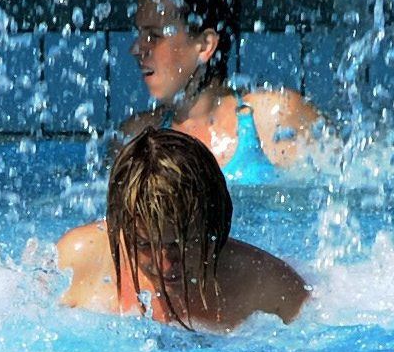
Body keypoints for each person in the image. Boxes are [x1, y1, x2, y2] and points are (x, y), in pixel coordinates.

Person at [57, 128, 308, 331]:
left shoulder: (267, 286)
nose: (165, 264)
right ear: (122, 229)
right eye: (145, 245)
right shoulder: (79, 260)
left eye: (183, 243)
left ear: (214, 225)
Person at [115, 0, 323, 180]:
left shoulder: (274, 118)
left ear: (205, 45)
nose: (136, 49)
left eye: (154, 36)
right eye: (140, 34)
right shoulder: (137, 139)